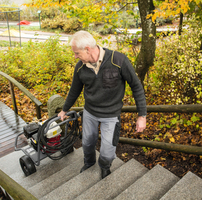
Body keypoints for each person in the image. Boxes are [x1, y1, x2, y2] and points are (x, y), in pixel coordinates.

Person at [58, 30, 147, 179]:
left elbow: (136, 86)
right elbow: (74, 90)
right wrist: (64, 110)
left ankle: (105, 166)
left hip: (111, 116)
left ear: (88, 49)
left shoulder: (118, 60)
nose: (75, 56)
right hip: (90, 113)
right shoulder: (80, 67)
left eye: (77, 53)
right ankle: (89, 163)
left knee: (107, 151)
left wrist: (142, 115)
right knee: (86, 143)